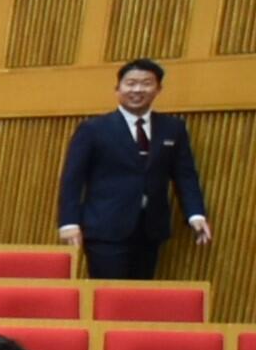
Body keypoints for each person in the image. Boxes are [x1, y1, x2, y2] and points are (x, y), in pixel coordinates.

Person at [54, 54, 213, 280]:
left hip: (150, 228)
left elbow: (185, 174)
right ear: (117, 88)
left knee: (140, 297)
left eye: (146, 84)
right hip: (105, 228)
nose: (138, 89)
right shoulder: (93, 129)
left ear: (158, 89)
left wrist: (196, 214)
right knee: (108, 297)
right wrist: (69, 222)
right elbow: (72, 179)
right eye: (131, 83)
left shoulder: (173, 128)